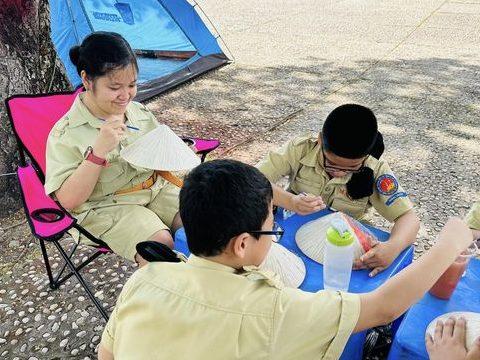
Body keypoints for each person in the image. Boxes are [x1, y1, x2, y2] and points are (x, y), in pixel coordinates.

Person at [98, 159, 473, 360]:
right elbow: (384, 307)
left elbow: (108, 353)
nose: (273, 229)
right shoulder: (278, 311)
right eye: (270, 225)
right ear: (243, 245)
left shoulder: (144, 279)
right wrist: (448, 244)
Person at [44, 32, 182, 266]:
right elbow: (67, 201)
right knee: (159, 247)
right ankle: (165, 298)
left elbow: (161, 157)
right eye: (115, 87)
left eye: (132, 84)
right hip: (106, 205)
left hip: (155, 188)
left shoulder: (138, 112)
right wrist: (98, 153)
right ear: (87, 80)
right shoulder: (65, 134)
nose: (125, 95)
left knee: (206, 221)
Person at [256, 104, 420, 276]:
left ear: (366, 155)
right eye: (332, 164)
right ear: (320, 140)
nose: (340, 172)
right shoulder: (300, 149)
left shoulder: (376, 168)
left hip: (344, 243)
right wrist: (290, 201)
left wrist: (392, 248)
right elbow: (251, 179)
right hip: (292, 230)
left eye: (352, 168)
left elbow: (409, 219)